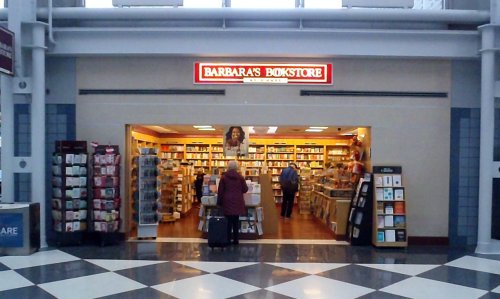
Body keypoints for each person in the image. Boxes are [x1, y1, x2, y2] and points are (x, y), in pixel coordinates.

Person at [217, 160, 248, 245]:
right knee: (236, 221)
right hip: (238, 201)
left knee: (228, 222)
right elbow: (245, 189)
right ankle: (236, 240)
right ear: (236, 167)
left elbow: (220, 191)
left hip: (227, 201)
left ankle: (227, 239)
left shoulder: (223, 178)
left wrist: (219, 203)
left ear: (228, 167)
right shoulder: (240, 177)